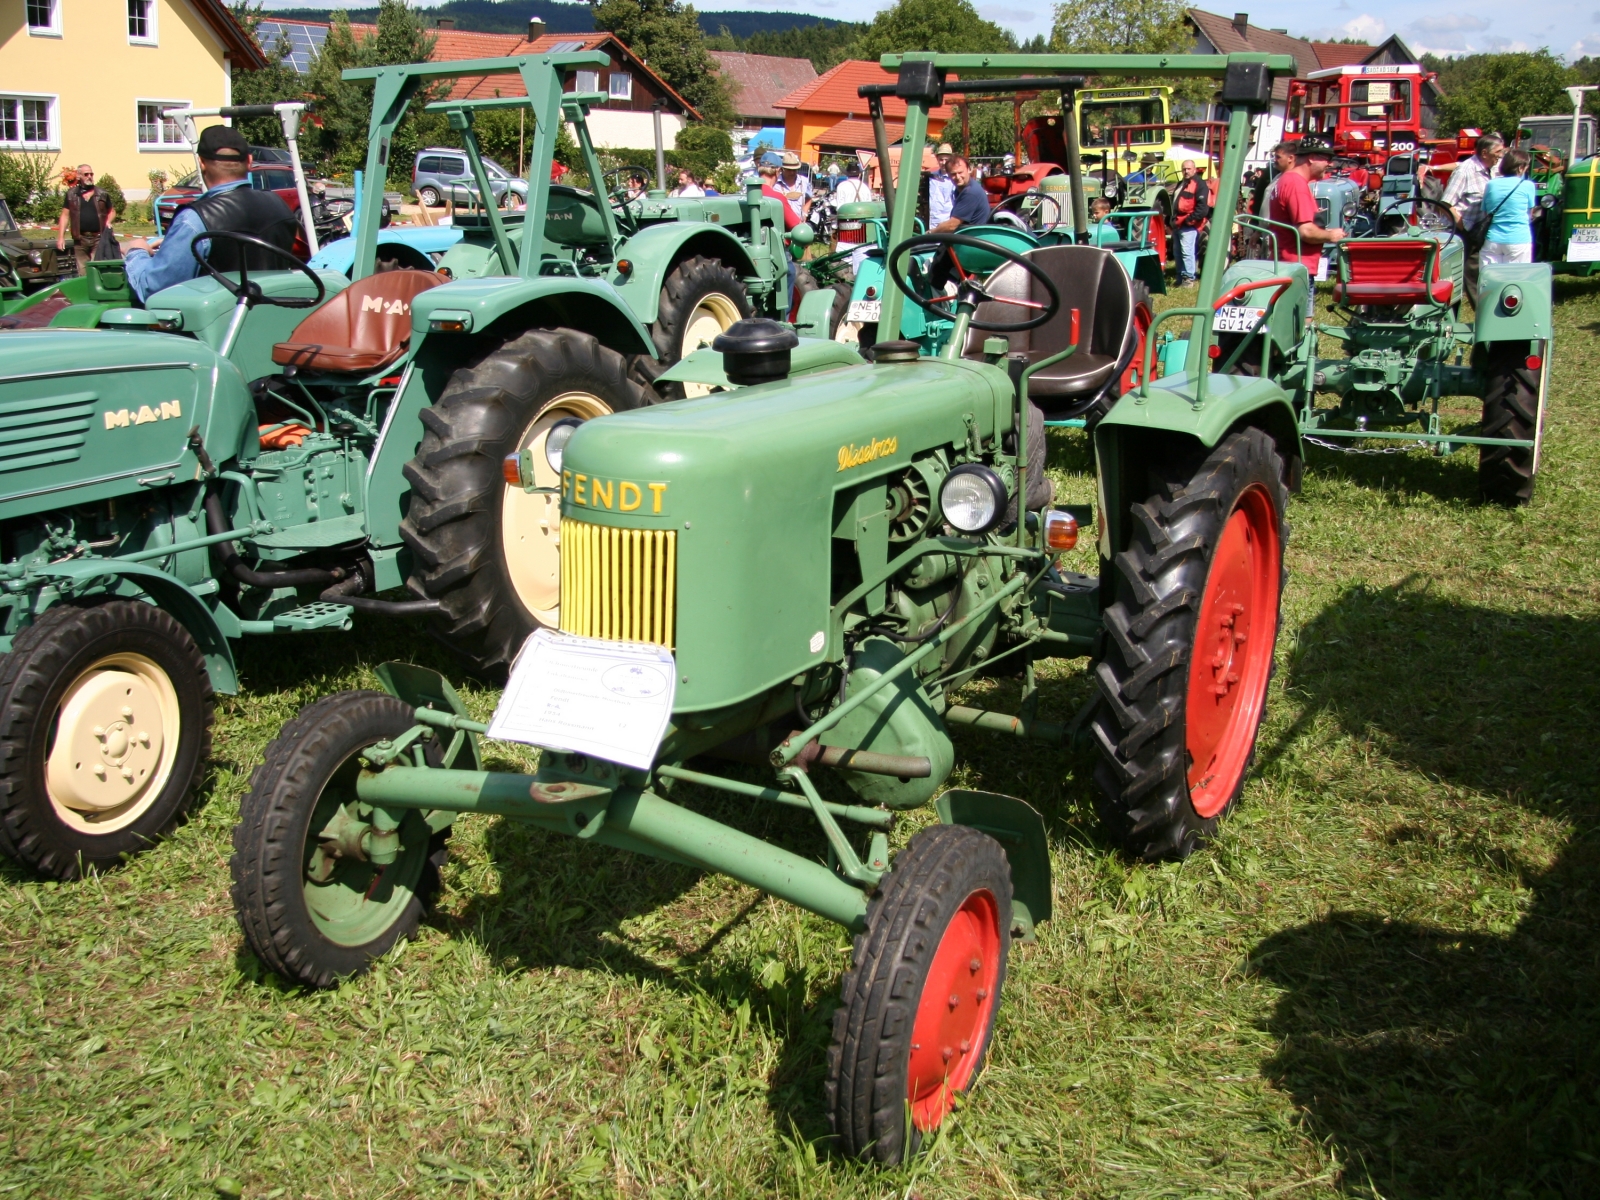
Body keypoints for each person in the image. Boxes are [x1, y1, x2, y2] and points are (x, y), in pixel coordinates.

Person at [122, 126, 299, 304]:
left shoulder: (194, 221)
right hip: (273, 320)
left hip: (217, 325)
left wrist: (136, 251)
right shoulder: (280, 206)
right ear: (250, 161)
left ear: (201, 163)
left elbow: (154, 288)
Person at [1267, 136, 1345, 275]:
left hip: (1287, 266)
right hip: (1296, 269)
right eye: (1327, 159)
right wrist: (1331, 235)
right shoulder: (1296, 185)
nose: (1330, 164)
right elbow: (1306, 231)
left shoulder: (1286, 179)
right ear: (1312, 157)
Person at [1443, 132, 1506, 299]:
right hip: (1463, 231)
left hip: (1481, 229)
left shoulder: (1493, 169)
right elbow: (1446, 204)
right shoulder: (1465, 171)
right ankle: (1482, 313)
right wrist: (1464, 227)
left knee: (1477, 270)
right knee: (1469, 272)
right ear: (1484, 153)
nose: (1500, 156)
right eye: (1498, 152)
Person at [1479, 149, 1539, 269]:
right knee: (1515, 280)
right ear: (1521, 167)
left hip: (1493, 239)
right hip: (1519, 239)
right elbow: (1529, 213)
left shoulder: (1491, 184)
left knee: (1490, 279)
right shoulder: (1527, 185)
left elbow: (1485, 212)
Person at [57, 164, 116, 276]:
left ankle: (98, 292)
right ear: (79, 176)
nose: (89, 176)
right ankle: (87, 292)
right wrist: (60, 238)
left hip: (98, 237)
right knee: (83, 271)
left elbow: (112, 211)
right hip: (80, 239)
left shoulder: (102, 193)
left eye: (91, 174)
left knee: (97, 269)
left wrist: (108, 221)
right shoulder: (71, 194)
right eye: (86, 174)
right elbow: (64, 215)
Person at [1172, 159, 1210, 285]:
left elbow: (1202, 208)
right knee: (1177, 252)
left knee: (1187, 252)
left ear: (1194, 169)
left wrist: (1189, 220)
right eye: (1184, 169)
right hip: (1178, 223)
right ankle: (1180, 277)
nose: (1186, 171)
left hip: (1189, 225)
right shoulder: (1181, 183)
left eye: (1188, 169)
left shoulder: (1200, 185)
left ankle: (1189, 278)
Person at [933, 155, 990, 234]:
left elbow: (952, 225)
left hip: (971, 241)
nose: (957, 177)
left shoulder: (971, 192)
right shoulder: (960, 190)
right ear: (948, 175)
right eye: (953, 174)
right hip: (964, 237)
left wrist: (931, 232)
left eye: (960, 172)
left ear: (969, 170)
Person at [929, 143, 956, 227]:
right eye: (941, 159)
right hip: (931, 221)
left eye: (946, 160)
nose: (943, 162)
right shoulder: (931, 177)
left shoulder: (955, 178)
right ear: (937, 159)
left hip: (948, 221)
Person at [778, 151, 812, 218]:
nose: (792, 172)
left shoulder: (804, 181)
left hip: (799, 223)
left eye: (794, 170)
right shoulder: (776, 182)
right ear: (782, 169)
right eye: (789, 170)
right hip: (781, 223)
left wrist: (804, 214)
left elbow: (809, 198)